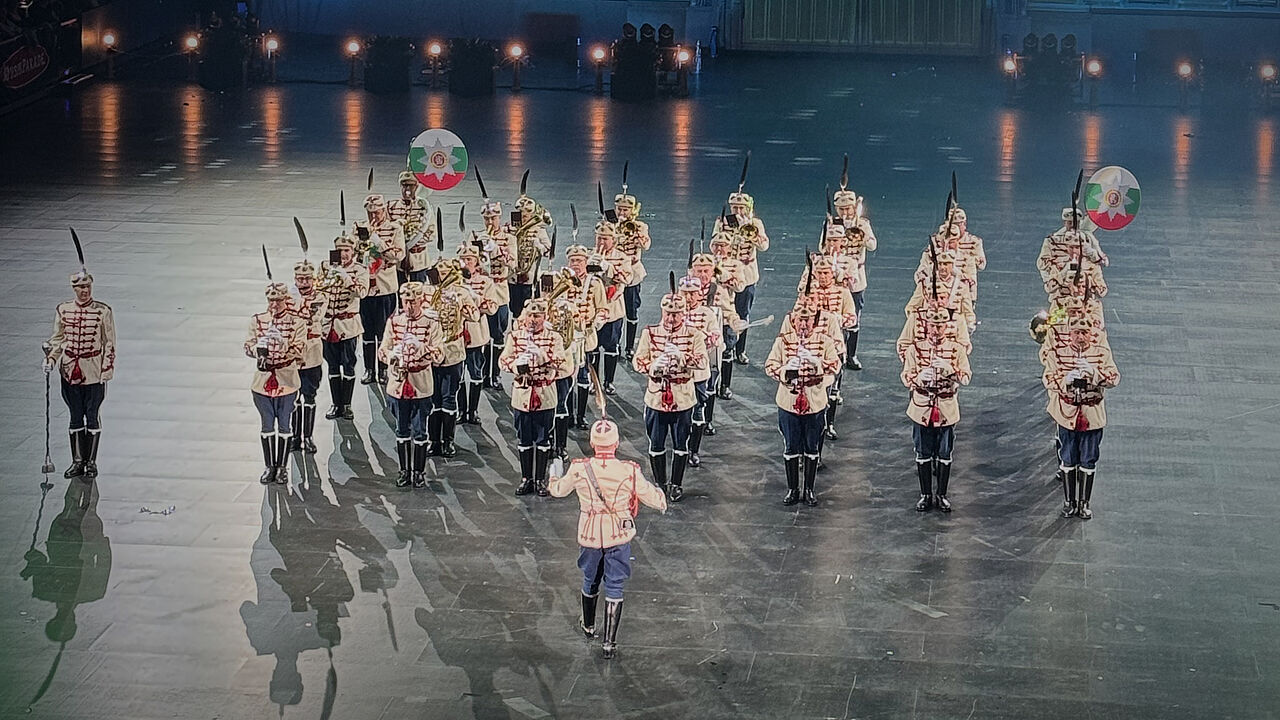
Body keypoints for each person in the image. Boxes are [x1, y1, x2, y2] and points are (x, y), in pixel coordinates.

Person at [548, 417, 667, 660]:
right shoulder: (628, 470)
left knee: (590, 578)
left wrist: (553, 474)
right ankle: (609, 643)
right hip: (618, 533)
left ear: (592, 443)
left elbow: (558, 491)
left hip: (590, 533)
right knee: (615, 583)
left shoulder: (580, 468)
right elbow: (650, 496)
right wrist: (661, 497)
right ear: (617, 443)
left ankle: (589, 626)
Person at [632, 291, 707, 502]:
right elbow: (638, 361)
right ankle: (660, 484)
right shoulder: (650, 333)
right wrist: (652, 366)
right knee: (656, 443)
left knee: (680, 443)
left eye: (676, 314)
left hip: (682, 397)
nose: (671, 318)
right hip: (656, 397)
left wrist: (683, 357)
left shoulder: (694, 335)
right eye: (668, 313)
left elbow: (702, 362)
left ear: (683, 314)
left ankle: (676, 483)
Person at [1042, 316, 1119, 519]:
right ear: (1070, 333)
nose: (1080, 337)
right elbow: (1048, 379)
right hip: (1067, 413)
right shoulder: (1059, 353)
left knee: (1088, 459)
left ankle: (1084, 502)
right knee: (1067, 457)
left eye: (1084, 333)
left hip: (1091, 414)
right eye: (1076, 332)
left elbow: (1114, 378)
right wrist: (1065, 380)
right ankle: (1069, 502)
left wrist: (1095, 374)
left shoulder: (1101, 353)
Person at [44, 267, 116, 480]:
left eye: (87, 286)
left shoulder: (103, 311)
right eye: (80, 287)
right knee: (75, 415)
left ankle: (91, 462)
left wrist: (106, 371)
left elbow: (109, 343)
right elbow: (58, 339)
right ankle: (77, 461)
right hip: (69, 371)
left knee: (92, 415)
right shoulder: (63, 310)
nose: (85, 290)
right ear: (74, 288)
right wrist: (50, 359)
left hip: (93, 371)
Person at [764, 304, 839, 506]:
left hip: (814, 402)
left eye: (807, 321)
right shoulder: (783, 342)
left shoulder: (825, 342)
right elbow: (769, 366)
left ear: (814, 323)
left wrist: (817, 363)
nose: (803, 324)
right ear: (793, 321)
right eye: (799, 320)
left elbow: (835, 366)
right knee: (791, 447)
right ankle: (792, 489)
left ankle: (809, 489)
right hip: (789, 401)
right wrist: (786, 370)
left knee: (812, 447)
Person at [900, 306, 972, 512]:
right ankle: (925, 494)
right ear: (926, 326)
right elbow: (906, 377)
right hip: (921, 407)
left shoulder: (956, 349)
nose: (936, 331)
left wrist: (952, 370)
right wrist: (917, 378)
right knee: (922, 452)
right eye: (933, 326)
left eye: (940, 326)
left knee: (944, 453)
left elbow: (966, 377)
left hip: (946, 408)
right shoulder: (915, 348)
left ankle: (941, 494)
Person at [499, 299, 569, 496]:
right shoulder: (515, 337)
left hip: (544, 394)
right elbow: (503, 360)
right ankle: (526, 478)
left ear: (544, 317)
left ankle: (539, 479)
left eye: (537, 316)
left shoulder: (554, 338)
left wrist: (543, 356)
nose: (532, 320)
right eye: (529, 315)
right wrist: (516, 365)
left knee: (543, 438)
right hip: (522, 394)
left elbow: (563, 363)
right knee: (524, 438)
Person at [378, 281, 444, 488]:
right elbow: (382, 351)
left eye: (413, 302)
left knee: (420, 430)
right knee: (401, 430)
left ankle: (419, 471)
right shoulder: (394, 321)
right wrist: (391, 355)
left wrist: (422, 348)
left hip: (420, 384)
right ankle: (404, 470)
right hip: (397, 384)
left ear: (421, 301)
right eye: (406, 302)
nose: (409, 306)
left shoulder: (431, 323)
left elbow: (439, 356)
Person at [245, 282, 307, 484]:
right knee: (267, 426)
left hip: (286, 378)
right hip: (262, 382)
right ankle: (269, 466)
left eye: (278, 300)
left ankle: (282, 467)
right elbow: (248, 345)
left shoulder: (296, 322)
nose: (274, 304)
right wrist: (258, 349)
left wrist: (283, 343)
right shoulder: (258, 320)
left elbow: (300, 351)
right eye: (271, 300)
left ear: (285, 301)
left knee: (284, 425)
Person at [422, 258, 478, 458]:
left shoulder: (461, 292)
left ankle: (448, 441)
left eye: (447, 271)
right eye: (440, 271)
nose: (443, 274)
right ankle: (434, 440)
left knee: (449, 397)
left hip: (453, 349)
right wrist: (425, 313)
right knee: (432, 397)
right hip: (433, 347)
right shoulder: (428, 291)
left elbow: (475, 316)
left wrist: (461, 305)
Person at [714, 191, 769, 365]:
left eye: (741, 207)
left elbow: (764, 246)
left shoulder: (755, 223)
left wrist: (751, 233)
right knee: (726, 310)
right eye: (735, 207)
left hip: (747, 273)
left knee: (743, 313)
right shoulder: (723, 222)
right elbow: (713, 244)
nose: (737, 211)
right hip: (728, 273)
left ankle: (741, 350)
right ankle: (726, 345)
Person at [356, 195, 406, 385]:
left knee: (384, 330)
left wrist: (378, 242)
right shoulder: (360, 228)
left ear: (384, 210)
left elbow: (398, 255)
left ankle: (383, 368)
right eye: (370, 213)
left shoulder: (394, 228)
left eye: (376, 212)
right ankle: (369, 369)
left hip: (385, 286)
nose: (373, 217)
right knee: (367, 332)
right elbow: (352, 253)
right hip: (367, 287)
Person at [319, 234, 369, 420]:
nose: (343, 254)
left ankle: (346, 404)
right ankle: (335, 403)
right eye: (340, 250)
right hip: (327, 324)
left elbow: (362, 293)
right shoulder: (326, 266)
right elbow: (318, 289)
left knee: (348, 365)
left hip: (347, 326)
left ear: (353, 252)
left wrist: (346, 278)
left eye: (347, 250)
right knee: (332, 366)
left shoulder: (360, 270)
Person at [457, 242, 502, 425]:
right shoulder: (454, 281)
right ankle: (461, 410)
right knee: (459, 375)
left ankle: (472, 410)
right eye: (463, 259)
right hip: (457, 333)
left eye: (469, 259)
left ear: (477, 262)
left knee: (475, 373)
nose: (466, 262)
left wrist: (474, 301)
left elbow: (492, 307)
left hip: (475, 332)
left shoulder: (486, 282)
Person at [287, 259, 328, 454]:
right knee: (294, 397)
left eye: (307, 279)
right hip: (293, 356)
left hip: (311, 353)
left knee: (309, 396)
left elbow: (313, 317)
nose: (303, 283)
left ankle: (308, 435)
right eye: (300, 279)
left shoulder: (320, 297)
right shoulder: (286, 297)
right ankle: (295, 436)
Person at [590, 222, 634, 396]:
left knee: (610, 347)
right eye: (599, 238)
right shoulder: (588, 254)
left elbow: (627, 278)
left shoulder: (622, 257)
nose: (601, 242)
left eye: (605, 238)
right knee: (593, 348)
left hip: (612, 308)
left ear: (613, 240)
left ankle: (609, 381)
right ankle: (594, 382)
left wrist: (607, 266)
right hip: (593, 310)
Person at [479, 200, 515, 389]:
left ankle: (496, 374)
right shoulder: (477, 236)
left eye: (493, 218)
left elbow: (513, 263)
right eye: (486, 219)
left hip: (500, 290)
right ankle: (484, 373)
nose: (489, 222)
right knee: (484, 334)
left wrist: (497, 250)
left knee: (498, 334)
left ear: (499, 218)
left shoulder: (509, 238)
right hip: (483, 290)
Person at [614, 191, 652, 359]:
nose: (622, 213)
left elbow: (646, 245)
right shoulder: (610, 224)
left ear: (632, 211)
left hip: (632, 273)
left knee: (631, 310)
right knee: (615, 310)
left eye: (625, 210)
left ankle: (629, 346)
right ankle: (615, 343)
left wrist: (635, 232)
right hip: (615, 274)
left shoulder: (640, 226)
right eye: (619, 209)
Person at [386, 170, 433, 284]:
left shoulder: (424, 207)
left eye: (411, 186)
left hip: (418, 259)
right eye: (404, 185)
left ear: (417, 187)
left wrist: (411, 240)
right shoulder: (391, 206)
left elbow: (431, 233)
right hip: (399, 260)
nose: (407, 189)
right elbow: (386, 229)